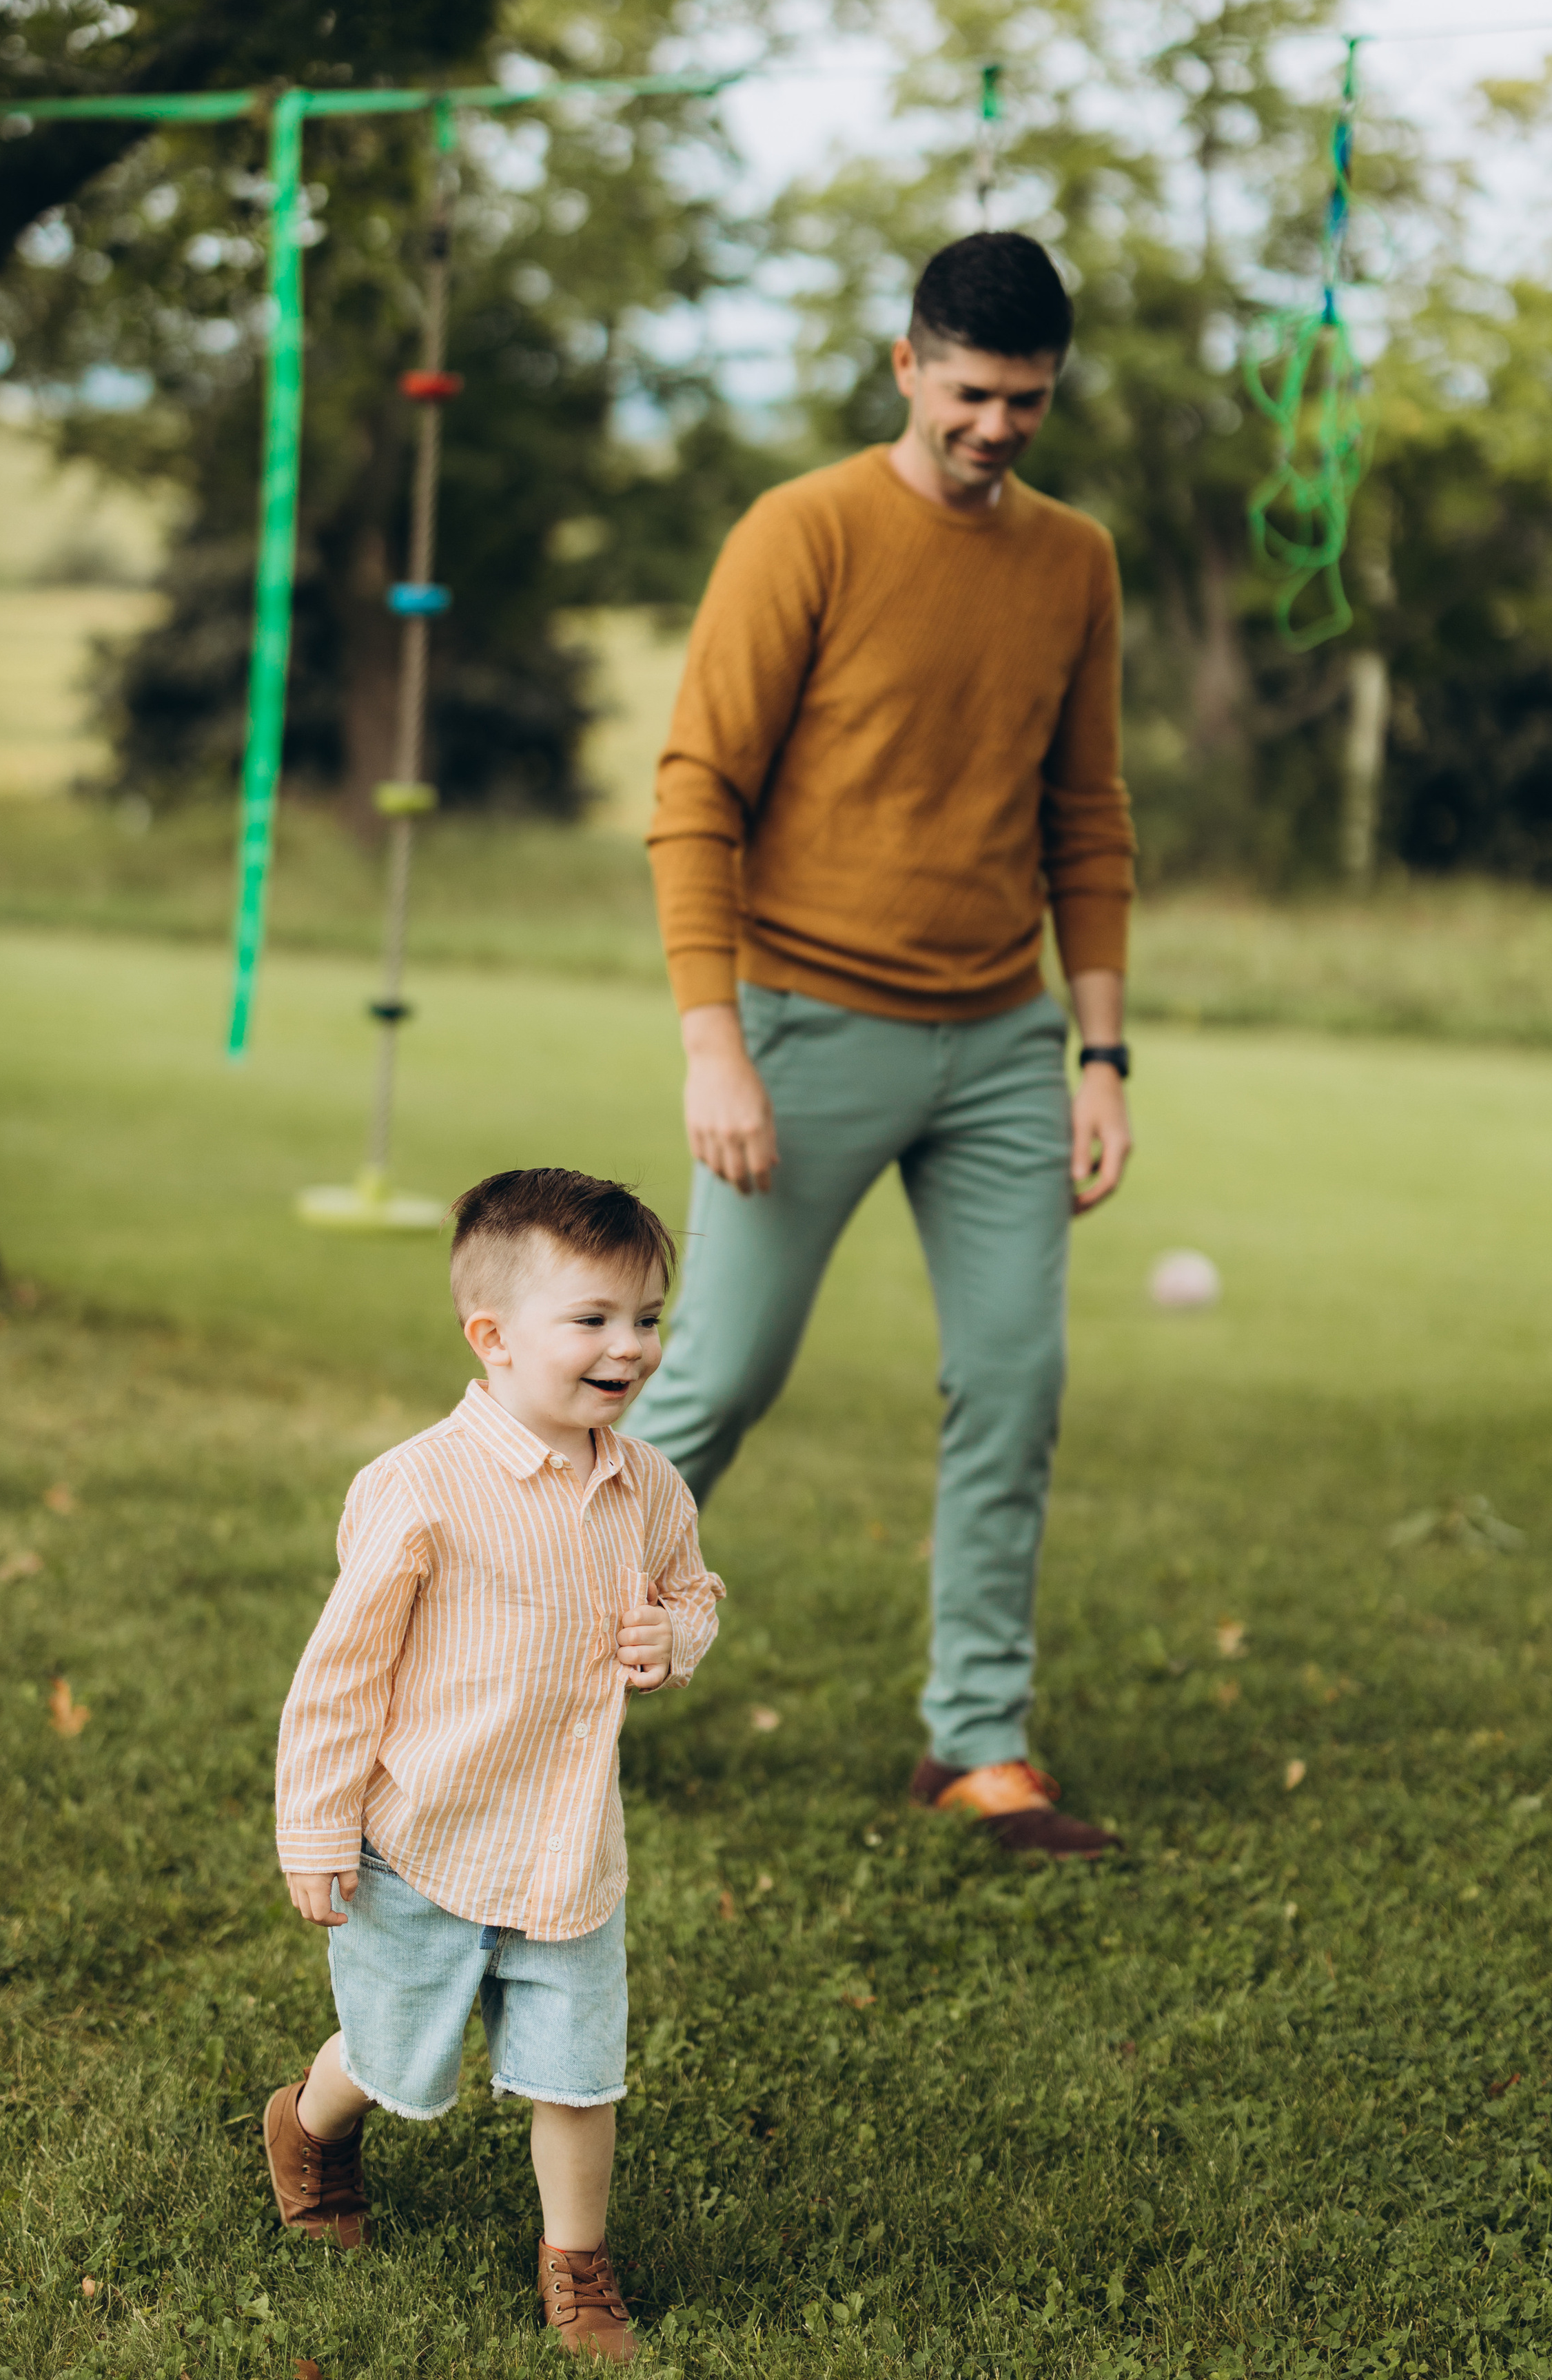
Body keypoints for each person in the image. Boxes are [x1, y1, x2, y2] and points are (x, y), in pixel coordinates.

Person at [629, 231, 1134, 1862]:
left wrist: (1100, 1058)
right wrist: (715, 1044)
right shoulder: (805, 531)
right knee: (714, 1381)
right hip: (799, 1028)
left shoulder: (1074, 563)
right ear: (906, 365)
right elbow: (696, 789)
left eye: (1030, 402)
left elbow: (1087, 817)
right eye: (973, 393)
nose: (997, 428)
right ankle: (520, 1680)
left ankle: (975, 1745)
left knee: (1014, 1380)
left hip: (998, 1043)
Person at [266, 1168, 723, 2363]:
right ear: (494, 1336)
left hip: (570, 1852)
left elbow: (696, 1591)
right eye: (594, 1320)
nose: (629, 1347)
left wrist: (674, 1637)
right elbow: (340, 1678)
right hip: (425, 1842)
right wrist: (316, 1832)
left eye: (648, 1319)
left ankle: (577, 2266)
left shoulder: (647, 1486)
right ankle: (311, 2129)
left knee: (581, 2076)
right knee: (387, 2052)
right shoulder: (419, 1492)